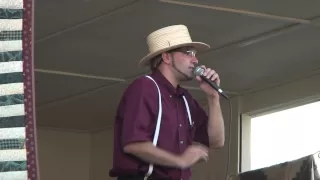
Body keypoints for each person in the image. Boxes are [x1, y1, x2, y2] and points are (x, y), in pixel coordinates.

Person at [109, 25, 225, 180]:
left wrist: (213, 98)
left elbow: (216, 141)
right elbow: (133, 144)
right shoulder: (145, 87)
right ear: (166, 57)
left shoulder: (185, 99)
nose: (195, 59)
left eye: (195, 54)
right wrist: (179, 160)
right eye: (187, 53)